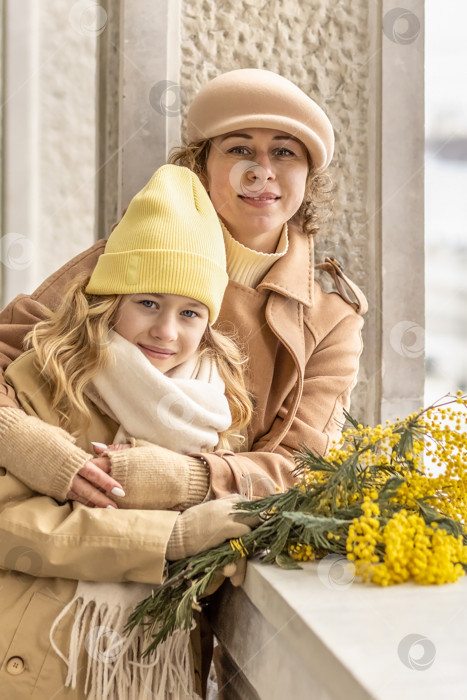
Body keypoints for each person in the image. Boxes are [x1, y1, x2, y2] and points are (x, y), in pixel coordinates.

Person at [0, 68, 367, 693]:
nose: (262, 170)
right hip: (44, 588)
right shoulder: (132, 252)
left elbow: (304, 466)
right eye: (239, 149)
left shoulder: (330, 318)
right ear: (202, 163)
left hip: (164, 609)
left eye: (284, 152)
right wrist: (35, 448)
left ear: (309, 178)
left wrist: (194, 479)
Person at [0, 165, 256, 699]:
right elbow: (9, 526)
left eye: (190, 312)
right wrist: (170, 538)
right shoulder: (50, 375)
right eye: (147, 303)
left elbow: (208, 568)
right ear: (109, 298)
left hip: (144, 676)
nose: (166, 331)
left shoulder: (216, 409)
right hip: (32, 657)